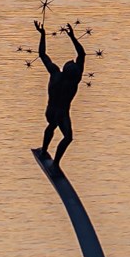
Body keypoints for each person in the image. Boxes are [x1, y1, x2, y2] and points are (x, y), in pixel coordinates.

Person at [34, 19, 87, 163]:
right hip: (61, 113)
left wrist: (42, 34)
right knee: (68, 137)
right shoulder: (74, 81)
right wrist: (72, 37)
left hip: (50, 112)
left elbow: (42, 54)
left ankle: (44, 150)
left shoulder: (55, 73)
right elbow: (82, 54)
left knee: (52, 125)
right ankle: (55, 162)